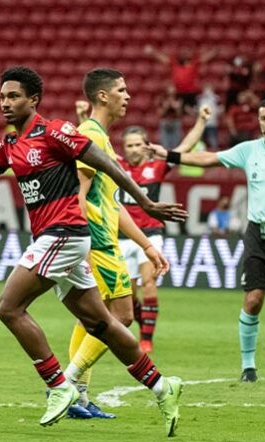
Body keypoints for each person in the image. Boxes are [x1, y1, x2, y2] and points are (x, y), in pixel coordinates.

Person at [0, 66, 186, 436]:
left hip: (63, 233)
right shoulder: (11, 145)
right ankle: (162, 387)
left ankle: (58, 385)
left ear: (34, 100)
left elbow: (107, 164)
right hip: (55, 238)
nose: (6, 103)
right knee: (103, 323)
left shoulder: (56, 132)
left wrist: (146, 202)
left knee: (9, 307)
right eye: (2, 97)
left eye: (14, 96)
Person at [148, 97, 265, 383]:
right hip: (258, 233)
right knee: (252, 300)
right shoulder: (249, 150)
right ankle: (248, 367)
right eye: (263, 119)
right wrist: (170, 155)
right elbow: (208, 158)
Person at [64, 68, 172, 420]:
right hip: (96, 243)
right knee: (123, 316)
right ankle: (68, 383)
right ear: (103, 96)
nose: (129, 96)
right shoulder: (89, 136)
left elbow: (114, 204)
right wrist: (79, 245)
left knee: (91, 317)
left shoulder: (103, 140)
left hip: (102, 240)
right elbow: (77, 195)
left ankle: (76, 395)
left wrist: (147, 246)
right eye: (122, 90)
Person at [118, 106, 211, 354]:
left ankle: (146, 339)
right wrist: (84, 116)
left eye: (138, 144)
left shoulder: (156, 167)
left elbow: (184, 149)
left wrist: (201, 121)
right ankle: (143, 322)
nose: (134, 149)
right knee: (127, 294)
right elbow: (92, 146)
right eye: (129, 145)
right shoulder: (115, 167)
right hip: (123, 236)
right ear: (124, 149)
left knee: (149, 282)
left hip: (151, 233)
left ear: (146, 146)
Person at [145, 45, 218, 114]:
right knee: (178, 111)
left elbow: (204, 58)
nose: (185, 54)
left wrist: (214, 52)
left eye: (186, 53)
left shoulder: (194, 64)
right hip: (179, 93)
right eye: (183, 53)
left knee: (193, 112)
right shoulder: (174, 64)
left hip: (191, 93)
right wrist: (153, 52)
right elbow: (164, 59)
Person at [157, 84, 184, 149]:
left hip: (175, 122)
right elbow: (160, 113)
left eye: (173, 94)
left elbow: (180, 114)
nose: (171, 96)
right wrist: (166, 107)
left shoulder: (179, 99)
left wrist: (177, 108)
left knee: (176, 144)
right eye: (169, 94)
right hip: (165, 122)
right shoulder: (162, 99)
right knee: (165, 144)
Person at [197, 84, 222, 150]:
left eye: (209, 89)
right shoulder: (200, 99)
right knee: (201, 141)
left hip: (212, 123)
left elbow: (220, 109)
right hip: (202, 123)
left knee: (213, 140)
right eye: (205, 89)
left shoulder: (216, 98)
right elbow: (198, 109)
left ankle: (215, 153)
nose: (207, 91)